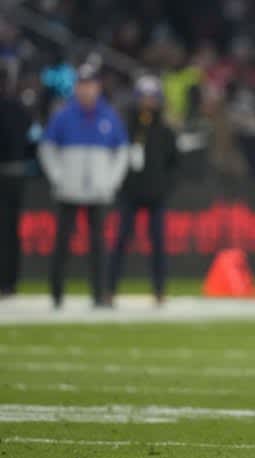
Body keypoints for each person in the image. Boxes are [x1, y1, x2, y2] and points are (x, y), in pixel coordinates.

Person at [39, 63, 129, 308]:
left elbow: (122, 152)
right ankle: (57, 294)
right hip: (69, 190)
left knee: (98, 246)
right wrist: (59, 177)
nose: (87, 90)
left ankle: (99, 294)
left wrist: (110, 181)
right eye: (82, 85)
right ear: (76, 87)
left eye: (91, 85)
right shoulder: (63, 116)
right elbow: (47, 149)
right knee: (62, 244)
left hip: (99, 192)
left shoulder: (110, 116)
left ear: (98, 87)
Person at [107, 75, 178, 305]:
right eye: (144, 97)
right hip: (130, 194)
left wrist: (165, 186)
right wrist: (122, 183)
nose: (148, 102)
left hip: (156, 195)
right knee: (121, 241)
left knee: (158, 244)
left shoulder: (165, 130)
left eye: (152, 97)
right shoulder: (126, 127)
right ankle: (110, 289)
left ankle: (159, 290)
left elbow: (174, 164)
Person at [0, 66, 32, 296]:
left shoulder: (15, 109)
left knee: (9, 231)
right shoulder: (19, 108)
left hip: (10, 174)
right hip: (16, 173)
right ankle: (9, 282)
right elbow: (30, 141)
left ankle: (8, 282)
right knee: (11, 231)